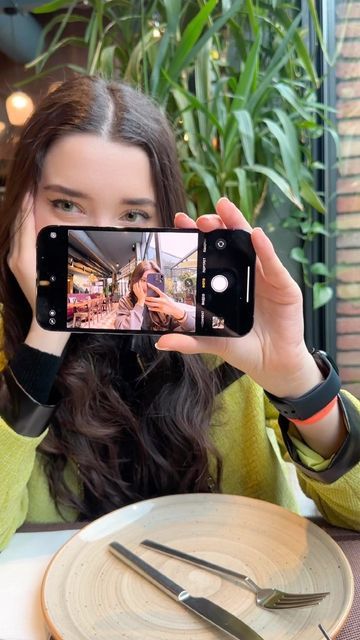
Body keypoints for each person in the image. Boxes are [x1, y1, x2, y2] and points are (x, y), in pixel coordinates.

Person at [0, 76, 359, 552]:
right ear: (23, 207)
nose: (104, 247)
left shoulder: (215, 336)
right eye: (67, 205)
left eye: (133, 217)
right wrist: (45, 334)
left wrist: (300, 383)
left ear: (165, 218)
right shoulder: (9, 343)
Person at [114, 259, 195, 332]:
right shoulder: (126, 301)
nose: (149, 285)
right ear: (135, 281)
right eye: (144, 280)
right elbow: (123, 332)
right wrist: (140, 303)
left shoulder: (164, 301)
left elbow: (191, 328)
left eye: (153, 281)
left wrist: (177, 311)